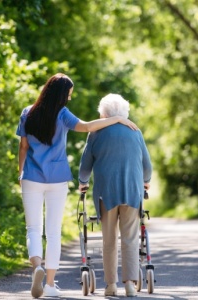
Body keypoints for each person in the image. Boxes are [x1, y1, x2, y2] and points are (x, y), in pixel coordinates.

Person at [16, 74, 138, 298]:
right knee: (53, 232)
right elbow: (88, 126)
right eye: (69, 95)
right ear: (61, 95)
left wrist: (20, 171)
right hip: (57, 178)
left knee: (33, 229)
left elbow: (23, 147)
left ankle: (37, 268)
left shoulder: (28, 112)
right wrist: (118, 119)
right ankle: (50, 284)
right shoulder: (62, 114)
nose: (69, 99)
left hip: (31, 177)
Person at [78, 93, 152, 297]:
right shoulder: (135, 131)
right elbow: (147, 164)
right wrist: (146, 181)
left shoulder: (95, 133)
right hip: (132, 190)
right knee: (130, 237)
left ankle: (111, 285)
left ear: (105, 113)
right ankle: (130, 284)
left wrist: (82, 183)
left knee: (109, 239)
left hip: (106, 193)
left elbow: (85, 165)